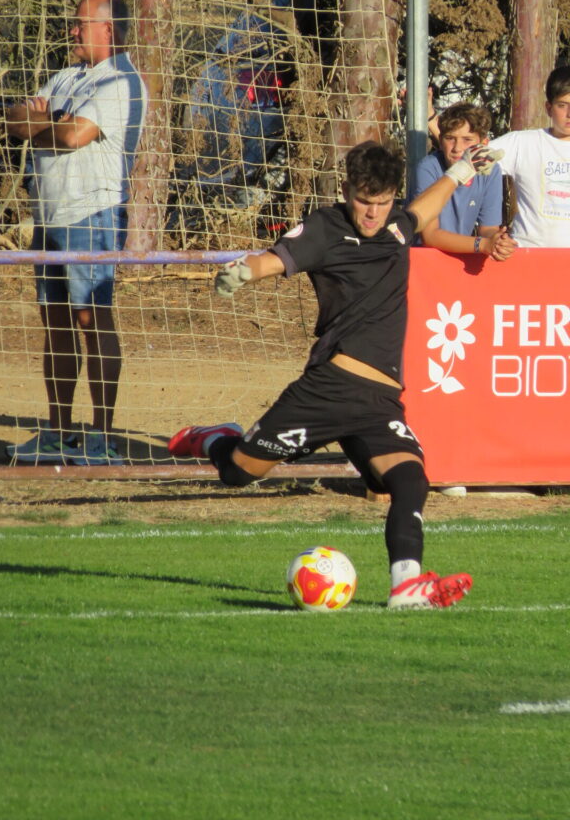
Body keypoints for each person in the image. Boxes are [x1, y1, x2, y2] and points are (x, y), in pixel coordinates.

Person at [168, 139, 503, 609]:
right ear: (347, 191)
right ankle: (215, 439)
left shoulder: (395, 227)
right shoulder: (325, 228)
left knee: (411, 479)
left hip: (379, 401)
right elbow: (274, 259)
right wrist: (245, 272)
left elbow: (422, 212)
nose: (373, 214)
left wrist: (462, 170)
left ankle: (406, 585)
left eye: (382, 203)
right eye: (364, 202)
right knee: (238, 473)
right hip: (330, 389)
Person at [5, 0, 148, 465]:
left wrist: (45, 123)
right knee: (55, 322)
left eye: (80, 24)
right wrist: (47, 121)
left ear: (108, 30)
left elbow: (71, 137)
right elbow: (15, 119)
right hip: (49, 215)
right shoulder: (66, 76)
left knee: (92, 319)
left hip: (92, 215)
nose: (72, 32)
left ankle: (102, 437)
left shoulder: (123, 81)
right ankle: (59, 432)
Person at [412, 101, 517, 260]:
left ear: (483, 144)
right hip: (424, 260)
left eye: (467, 140)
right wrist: (482, 245)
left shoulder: (491, 171)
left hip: (460, 258)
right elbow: (430, 236)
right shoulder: (428, 168)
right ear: (440, 141)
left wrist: (497, 241)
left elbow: (488, 228)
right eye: (450, 138)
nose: (457, 148)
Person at [490, 65, 570, 247]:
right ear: (548, 108)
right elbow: (465, 155)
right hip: (529, 255)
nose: (569, 114)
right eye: (562, 105)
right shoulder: (522, 142)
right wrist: (431, 120)